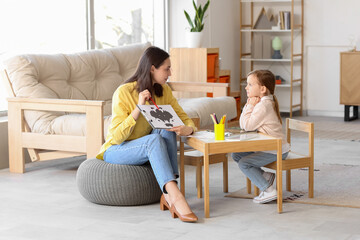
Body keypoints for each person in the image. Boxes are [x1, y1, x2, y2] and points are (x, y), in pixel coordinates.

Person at [96, 46, 198, 222]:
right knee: (153, 140)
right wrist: (139, 108)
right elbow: (118, 137)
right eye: (167, 68)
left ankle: (168, 192)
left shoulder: (164, 91)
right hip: (116, 149)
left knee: (166, 129)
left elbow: (184, 119)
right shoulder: (124, 92)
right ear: (152, 68)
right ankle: (175, 196)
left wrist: (187, 129)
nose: (170, 73)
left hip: (145, 145)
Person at [231, 70, 290, 204]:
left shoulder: (263, 105)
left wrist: (249, 105)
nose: (246, 87)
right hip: (272, 147)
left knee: (244, 163)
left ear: (262, 89)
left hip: (275, 150)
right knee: (236, 155)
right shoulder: (264, 102)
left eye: (250, 85)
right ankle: (265, 176)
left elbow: (246, 125)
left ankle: (268, 190)